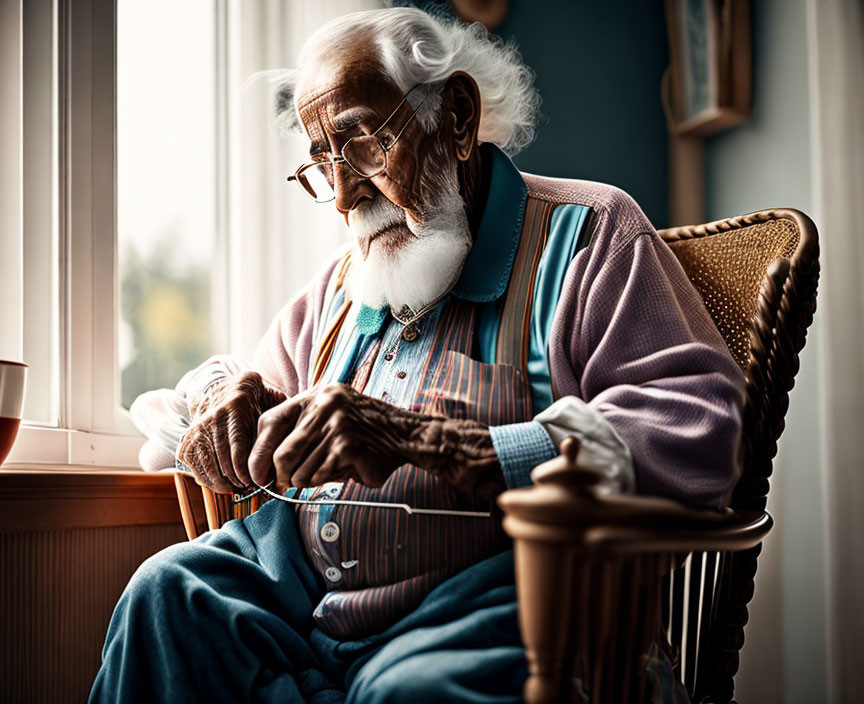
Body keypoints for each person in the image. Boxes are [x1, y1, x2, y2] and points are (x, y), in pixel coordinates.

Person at [90, 7, 743, 703]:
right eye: (321, 165)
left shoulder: (588, 235)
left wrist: (436, 443)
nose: (343, 197)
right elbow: (227, 407)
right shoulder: (346, 280)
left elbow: (698, 428)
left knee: (411, 691)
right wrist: (228, 395)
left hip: (490, 615)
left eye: (364, 146)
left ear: (456, 118)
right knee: (164, 598)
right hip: (304, 610)